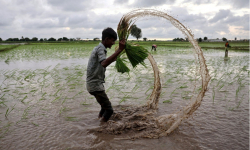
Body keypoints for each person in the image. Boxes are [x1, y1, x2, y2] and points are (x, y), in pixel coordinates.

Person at [86, 27, 126, 122]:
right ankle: (101, 129)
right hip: (95, 85)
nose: (113, 43)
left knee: (104, 107)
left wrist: (113, 59)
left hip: (94, 84)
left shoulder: (99, 48)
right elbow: (104, 63)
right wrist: (119, 50)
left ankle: (98, 119)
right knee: (109, 110)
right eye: (112, 41)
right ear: (107, 39)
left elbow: (102, 64)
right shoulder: (100, 49)